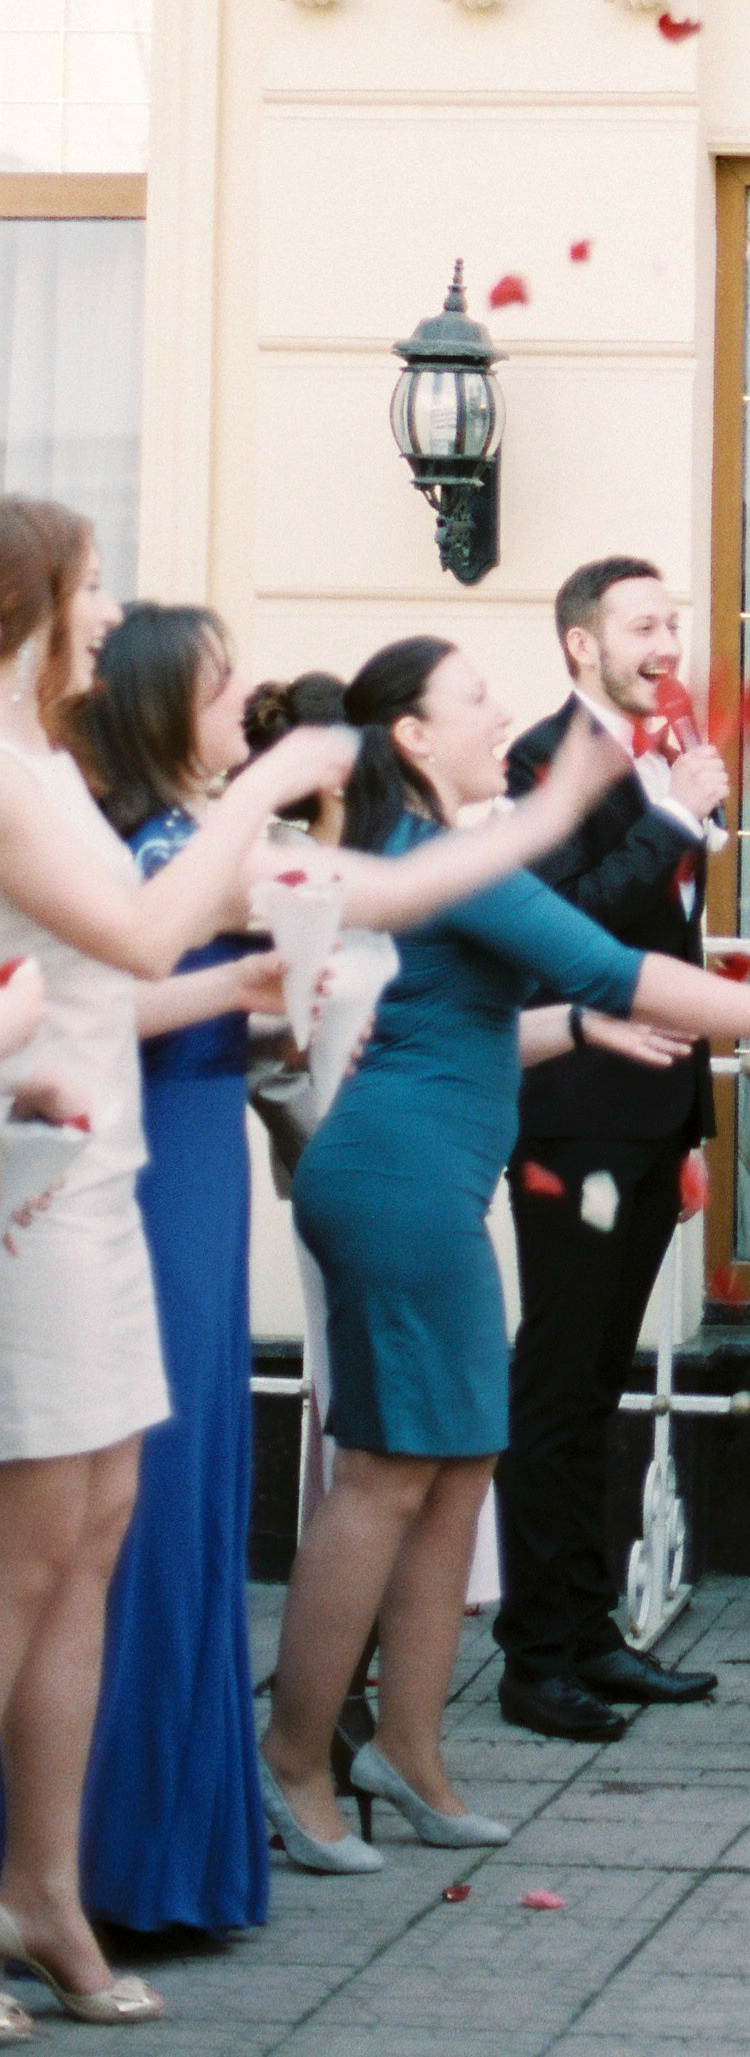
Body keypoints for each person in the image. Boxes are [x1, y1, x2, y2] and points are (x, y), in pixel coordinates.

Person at [259, 637, 750, 1875]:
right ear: (414, 737)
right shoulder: (444, 853)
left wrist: (591, 1023)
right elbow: (616, 959)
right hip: (396, 1186)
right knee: (387, 1478)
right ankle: (297, 1761)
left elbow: (476, 1022)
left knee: (456, 1465)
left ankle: (409, 1751)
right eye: (473, 696)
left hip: (420, 1179)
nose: (497, 708)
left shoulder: (434, 853)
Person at [0, 502, 499, 2024]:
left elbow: (109, 967)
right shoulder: (21, 777)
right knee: (27, 1561)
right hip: (39, 1195)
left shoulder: (41, 766)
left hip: (104, 1174)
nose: (107, 618)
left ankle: (47, 1890)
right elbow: (145, 940)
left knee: (100, 1529)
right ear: (31, 601)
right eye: (88, 593)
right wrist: (271, 787)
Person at [70, 608, 293, 1943]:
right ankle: (119, 1856)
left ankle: (163, 1852)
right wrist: (247, 988)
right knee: (149, 1502)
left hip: (202, 1159)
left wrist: (275, 1015)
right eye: (225, 683)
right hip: (150, 1181)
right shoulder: (152, 844)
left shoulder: (183, 834)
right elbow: (113, 997)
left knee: (198, 1490)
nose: (246, 696)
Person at [493, 558, 727, 1746]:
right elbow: (569, 920)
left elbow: (670, 935)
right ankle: (534, 1657)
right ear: (581, 643)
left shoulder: (662, 745)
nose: (667, 639)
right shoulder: (543, 756)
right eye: (645, 623)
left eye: (672, 621)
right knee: (557, 1378)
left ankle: (590, 1634)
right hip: (575, 1114)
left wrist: (690, 1124)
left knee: (596, 1383)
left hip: (644, 1115)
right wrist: (681, 812)